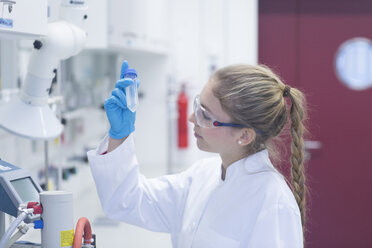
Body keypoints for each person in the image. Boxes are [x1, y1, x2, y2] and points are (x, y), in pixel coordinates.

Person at [87, 61, 308, 248]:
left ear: (245, 135)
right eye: (197, 105)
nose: (192, 118)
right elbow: (127, 201)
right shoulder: (203, 175)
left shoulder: (272, 203)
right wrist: (120, 136)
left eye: (205, 115)